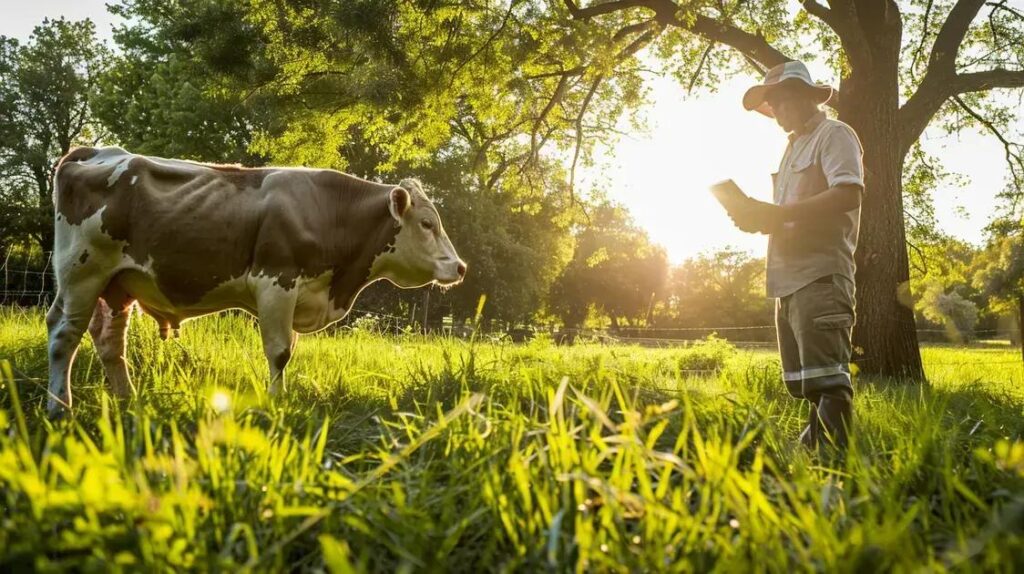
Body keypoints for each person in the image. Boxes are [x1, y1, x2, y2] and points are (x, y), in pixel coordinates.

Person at [728, 61, 864, 450]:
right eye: (772, 103)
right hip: (787, 282)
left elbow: (848, 193)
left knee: (831, 384)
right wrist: (759, 219)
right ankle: (814, 470)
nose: (777, 110)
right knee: (810, 386)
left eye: (784, 99)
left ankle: (828, 473)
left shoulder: (834, 134)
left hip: (821, 276)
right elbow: (790, 215)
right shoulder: (792, 148)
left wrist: (778, 214)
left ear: (807, 96)